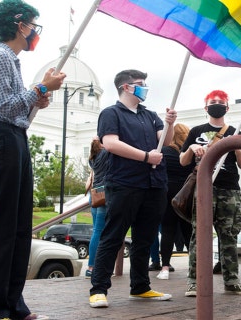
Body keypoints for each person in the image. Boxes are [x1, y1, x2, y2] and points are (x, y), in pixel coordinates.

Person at [0, 1, 66, 319]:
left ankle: (12, 302)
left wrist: (37, 97)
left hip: (14, 140)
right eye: (33, 25)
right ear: (19, 24)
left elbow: (17, 108)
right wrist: (40, 87)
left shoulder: (11, 60)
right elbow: (4, 107)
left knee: (20, 228)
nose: (35, 32)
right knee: (2, 227)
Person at [89, 69, 177, 308]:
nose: (144, 87)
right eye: (140, 84)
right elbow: (110, 143)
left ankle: (140, 286)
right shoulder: (111, 113)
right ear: (126, 87)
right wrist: (146, 157)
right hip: (124, 183)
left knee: (145, 238)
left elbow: (166, 142)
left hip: (155, 185)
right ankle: (98, 289)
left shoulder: (150, 115)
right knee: (113, 235)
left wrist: (170, 124)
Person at [180, 89, 241, 297]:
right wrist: (192, 148)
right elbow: (183, 161)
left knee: (229, 235)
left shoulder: (235, 131)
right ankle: (194, 281)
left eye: (221, 102)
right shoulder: (196, 131)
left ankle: (232, 281)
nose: (217, 104)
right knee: (198, 234)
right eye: (213, 101)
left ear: (227, 107)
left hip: (229, 190)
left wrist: (236, 147)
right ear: (206, 107)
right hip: (203, 189)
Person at [157, 123, 195, 280]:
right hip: (186, 195)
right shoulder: (189, 153)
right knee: (188, 232)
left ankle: (165, 267)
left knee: (167, 230)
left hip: (168, 195)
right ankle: (193, 266)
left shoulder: (164, 152)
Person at [84, 137, 110, 278]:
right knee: (100, 232)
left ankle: (91, 267)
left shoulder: (93, 157)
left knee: (96, 231)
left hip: (94, 196)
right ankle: (93, 267)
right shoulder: (105, 153)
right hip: (103, 195)